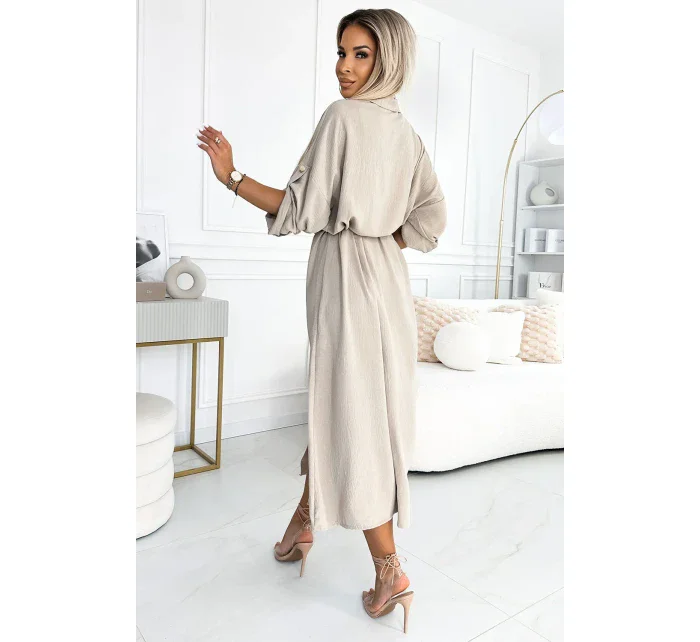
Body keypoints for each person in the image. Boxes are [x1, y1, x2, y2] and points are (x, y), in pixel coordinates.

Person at [196, 8, 447, 633]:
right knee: (354, 405)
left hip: (345, 285)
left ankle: (390, 572)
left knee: (354, 416)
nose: (344, 66)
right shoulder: (409, 136)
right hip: (388, 284)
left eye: (361, 54)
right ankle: (303, 522)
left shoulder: (342, 118)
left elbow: (297, 208)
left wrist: (230, 176)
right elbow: (430, 219)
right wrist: (382, 233)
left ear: (388, 58)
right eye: (341, 52)